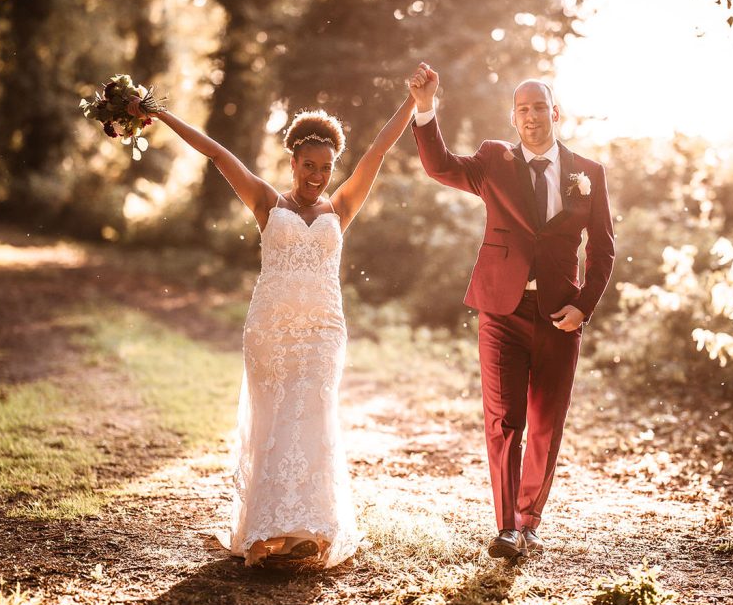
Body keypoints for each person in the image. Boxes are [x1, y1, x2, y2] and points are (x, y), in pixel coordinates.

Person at [129, 88, 417, 567]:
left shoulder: (341, 208)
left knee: (313, 413)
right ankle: (269, 530)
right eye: (309, 165)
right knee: (275, 421)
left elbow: (379, 150)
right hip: (271, 330)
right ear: (293, 162)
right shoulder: (266, 202)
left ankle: (310, 529)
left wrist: (413, 101)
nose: (317, 176)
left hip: (323, 329)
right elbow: (217, 153)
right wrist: (160, 113)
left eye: (325, 167)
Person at [407, 64, 615, 558]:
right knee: (505, 421)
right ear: (513, 118)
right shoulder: (493, 161)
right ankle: (505, 527)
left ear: (555, 113)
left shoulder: (589, 173)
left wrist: (583, 307)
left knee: (546, 422)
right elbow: (440, 166)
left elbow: (603, 250)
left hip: (559, 316)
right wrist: (424, 107)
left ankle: (529, 520)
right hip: (501, 310)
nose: (531, 117)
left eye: (539, 107)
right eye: (522, 110)